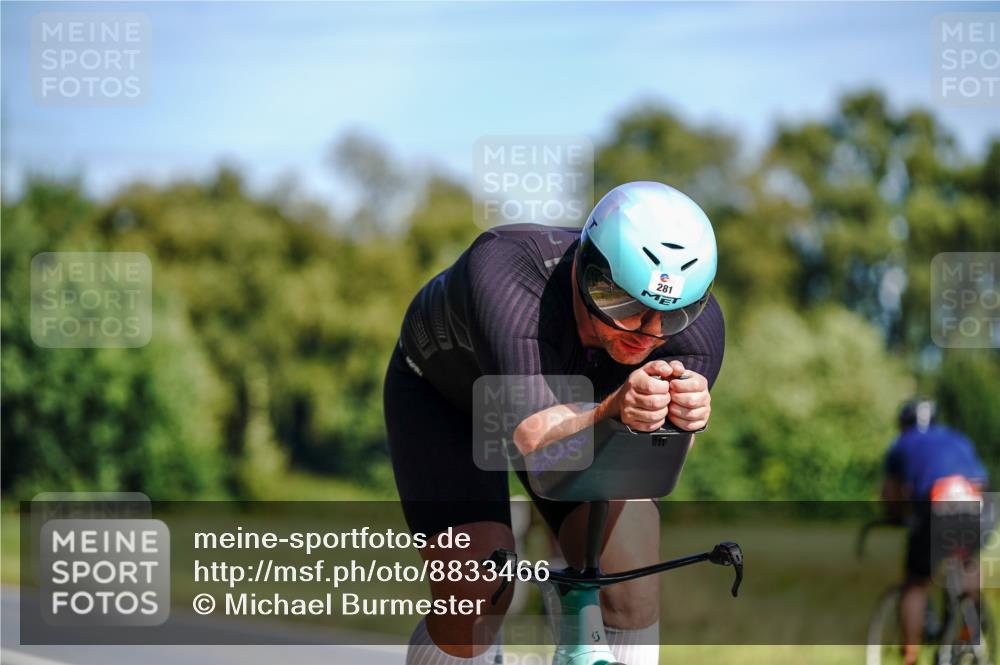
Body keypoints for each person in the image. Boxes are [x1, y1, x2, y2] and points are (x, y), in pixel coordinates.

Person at [383, 181, 725, 665]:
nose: (645, 335)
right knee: (480, 581)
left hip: (579, 409)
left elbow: (648, 466)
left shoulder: (699, 330)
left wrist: (679, 425)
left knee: (631, 576)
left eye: (669, 317)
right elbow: (536, 438)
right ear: (587, 272)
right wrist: (614, 412)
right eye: (623, 306)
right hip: (446, 395)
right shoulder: (507, 268)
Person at [881, 397, 990, 665]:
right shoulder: (958, 438)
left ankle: (910, 655)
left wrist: (897, 517)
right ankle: (970, 631)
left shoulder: (901, 444)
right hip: (975, 503)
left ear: (903, 423)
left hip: (936, 503)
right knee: (966, 563)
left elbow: (892, 496)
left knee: (916, 583)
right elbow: (980, 481)